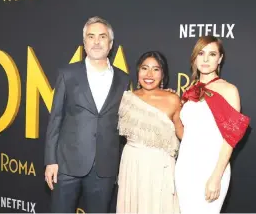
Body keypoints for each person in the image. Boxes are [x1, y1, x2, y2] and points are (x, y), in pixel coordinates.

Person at [43, 16, 130, 213]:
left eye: (102, 37)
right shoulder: (68, 74)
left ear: (110, 44)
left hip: (104, 167)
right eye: (91, 37)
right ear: (84, 43)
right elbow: (55, 119)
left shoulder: (123, 79)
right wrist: (50, 161)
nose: (97, 42)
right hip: (66, 165)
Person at [175, 36, 250, 213]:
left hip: (211, 167)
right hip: (185, 166)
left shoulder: (229, 90)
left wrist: (216, 176)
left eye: (212, 54)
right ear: (194, 57)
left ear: (220, 59)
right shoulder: (189, 91)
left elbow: (230, 138)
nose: (206, 59)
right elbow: (187, 134)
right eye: (201, 53)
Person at [116, 51, 183, 214]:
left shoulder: (173, 99)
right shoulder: (127, 98)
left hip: (160, 167)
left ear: (163, 74)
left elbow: (183, 135)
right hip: (132, 165)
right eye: (144, 68)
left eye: (156, 69)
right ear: (138, 71)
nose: (149, 74)